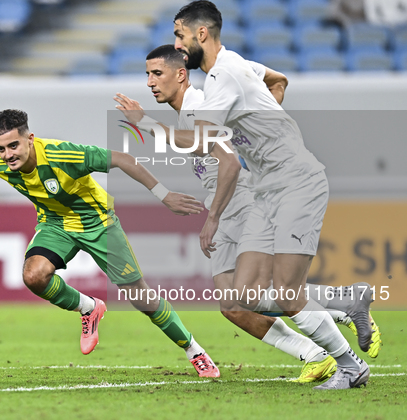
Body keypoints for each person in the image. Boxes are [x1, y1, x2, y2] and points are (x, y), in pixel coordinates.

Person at [118, 0, 373, 390]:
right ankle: (346, 301)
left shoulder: (222, 78)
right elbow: (278, 79)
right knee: (243, 298)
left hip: (294, 181)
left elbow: (208, 144)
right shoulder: (234, 67)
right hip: (269, 188)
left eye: (179, 35)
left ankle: (348, 364)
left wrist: (146, 124)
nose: (177, 43)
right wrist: (262, 120)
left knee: (286, 294)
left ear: (200, 34)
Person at [0, 109, 220, 377]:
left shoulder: (63, 155)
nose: (7, 155)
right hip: (55, 223)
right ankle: (89, 308)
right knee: (33, 276)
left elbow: (123, 159)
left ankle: (195, 350)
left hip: (97, 223)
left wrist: (164, 194)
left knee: (140, 297)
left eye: (14, 145)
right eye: (1, 149)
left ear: (30, 138)